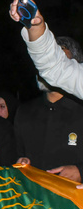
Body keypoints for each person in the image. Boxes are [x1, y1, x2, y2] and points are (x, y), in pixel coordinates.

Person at [15, 38, 83, 181]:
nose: (48, 70)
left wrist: (81, 172)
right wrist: (20, 162)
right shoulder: (24, 112)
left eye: (58, 63)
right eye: (44, 63)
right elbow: (13, 155)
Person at [10, 0, 83, 99]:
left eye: (62, 48)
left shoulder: (76, 111)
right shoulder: (28, 111)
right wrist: (35, 25)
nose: (60, 52)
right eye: (59, 49)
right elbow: (54, 66)